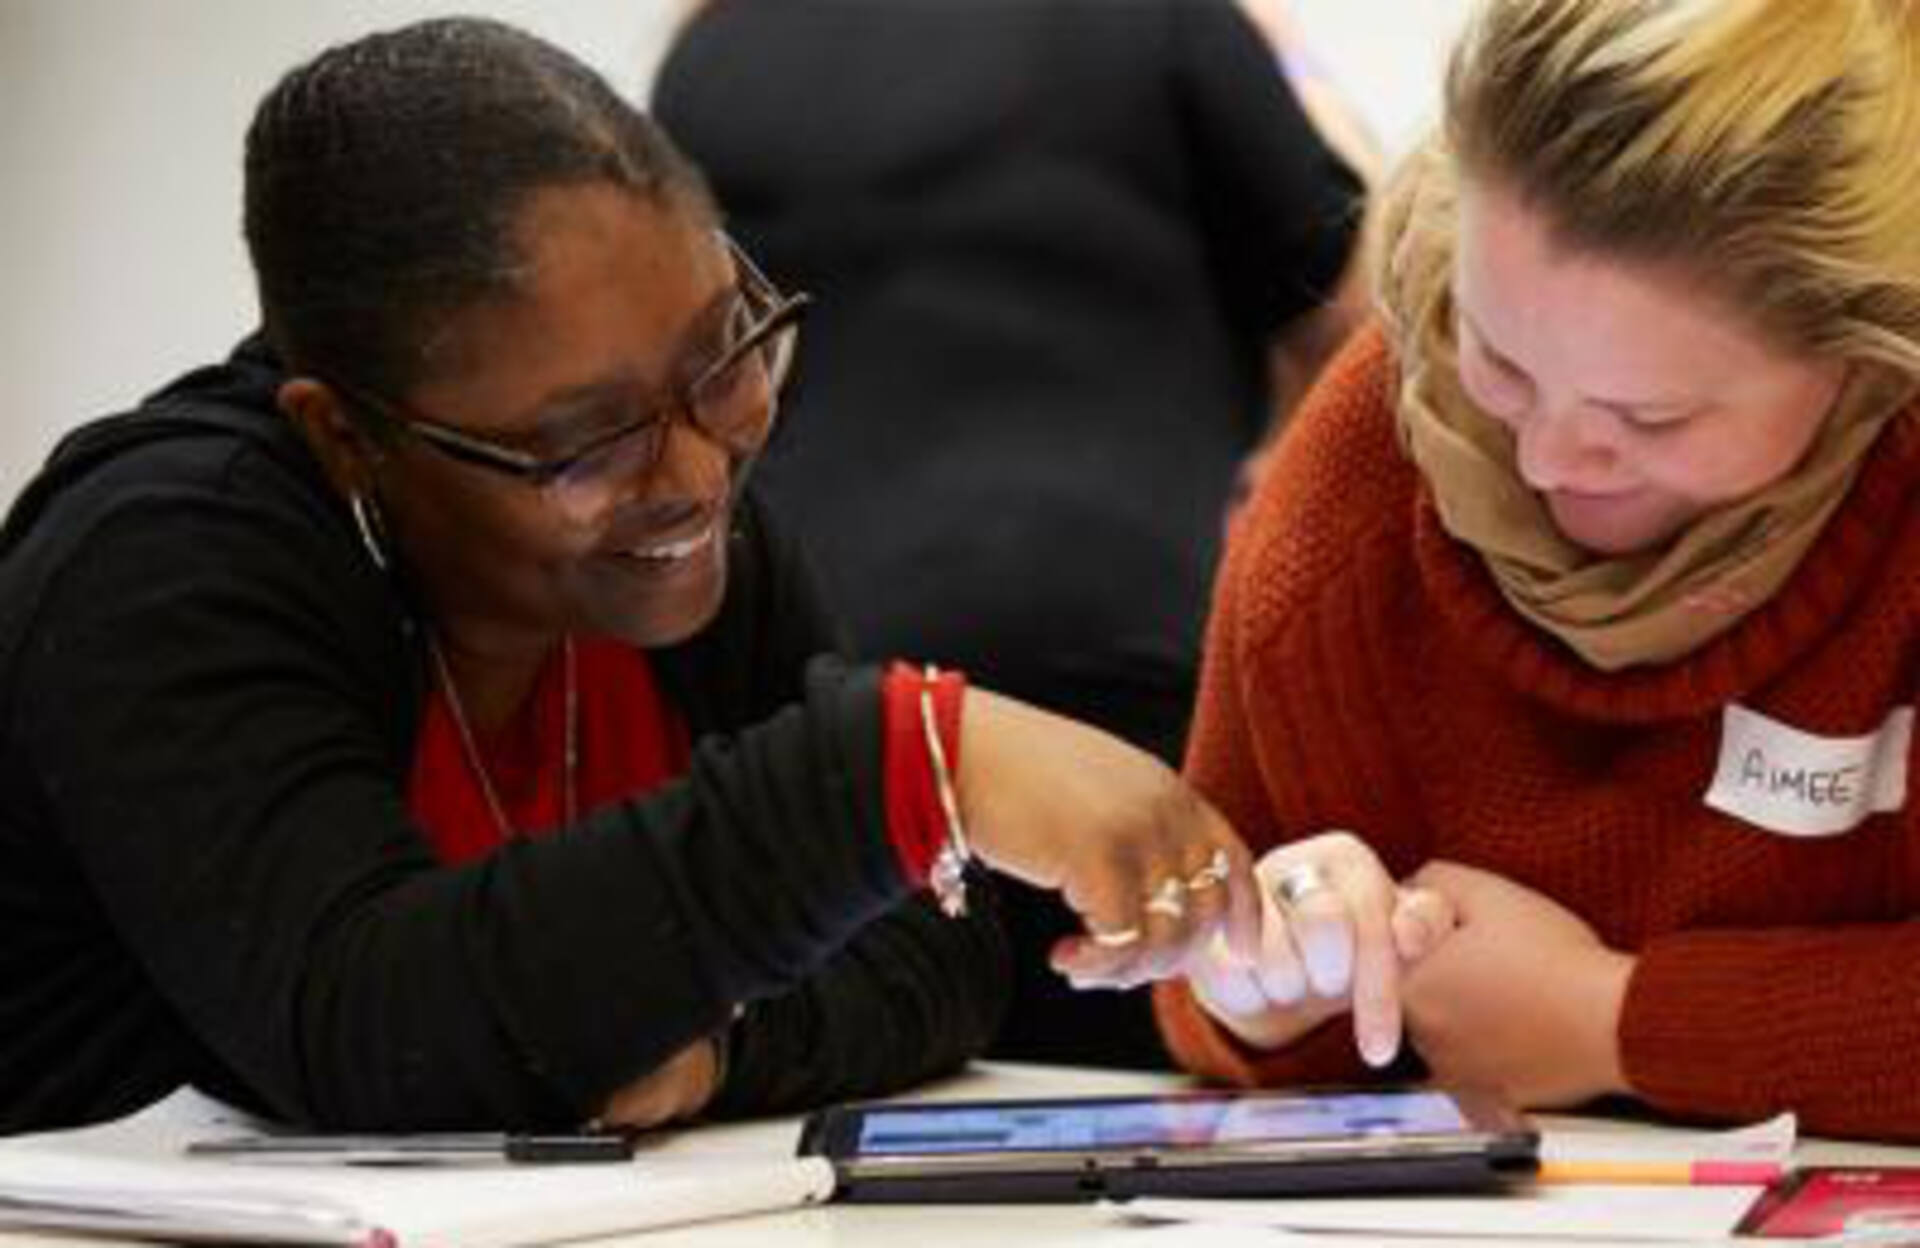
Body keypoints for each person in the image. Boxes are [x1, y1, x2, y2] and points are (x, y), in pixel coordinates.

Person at [0, 17, 1263, 1136]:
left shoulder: (683, 538)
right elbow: (367, 1021)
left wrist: (719, 1048)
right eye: (585, 437)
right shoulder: (161, 561)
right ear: (347, 437)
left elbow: (935, 961)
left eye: (728, 351)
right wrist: (900, 769)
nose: (698, 470)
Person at [1157, 0, 1920, 1140]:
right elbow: (1209, 984)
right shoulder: (1359, 483)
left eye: (1647, 417)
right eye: (1500, 360)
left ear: (1868, 357)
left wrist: (1611, 1018)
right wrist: (1272, 985)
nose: (1546, 457)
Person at [652, 0, 1367, 1068]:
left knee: (853, 1122)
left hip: (819, 712)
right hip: (1112, 681)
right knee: (1156, 1122)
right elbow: (1366, 335)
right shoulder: (1163, 22)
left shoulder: (708, 55)